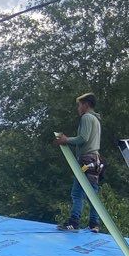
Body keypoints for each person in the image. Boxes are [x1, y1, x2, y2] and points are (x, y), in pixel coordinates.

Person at [55, 92, 105, 232]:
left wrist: (66, 140)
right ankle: (94, 224)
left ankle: (73, 222)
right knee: (92, 194)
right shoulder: (96, 119)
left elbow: (83, 138)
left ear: (86, 105)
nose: (78, 108)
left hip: (86, 161)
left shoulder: (87, 118)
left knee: (77, 193)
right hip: (95, 161)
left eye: (79, 105)